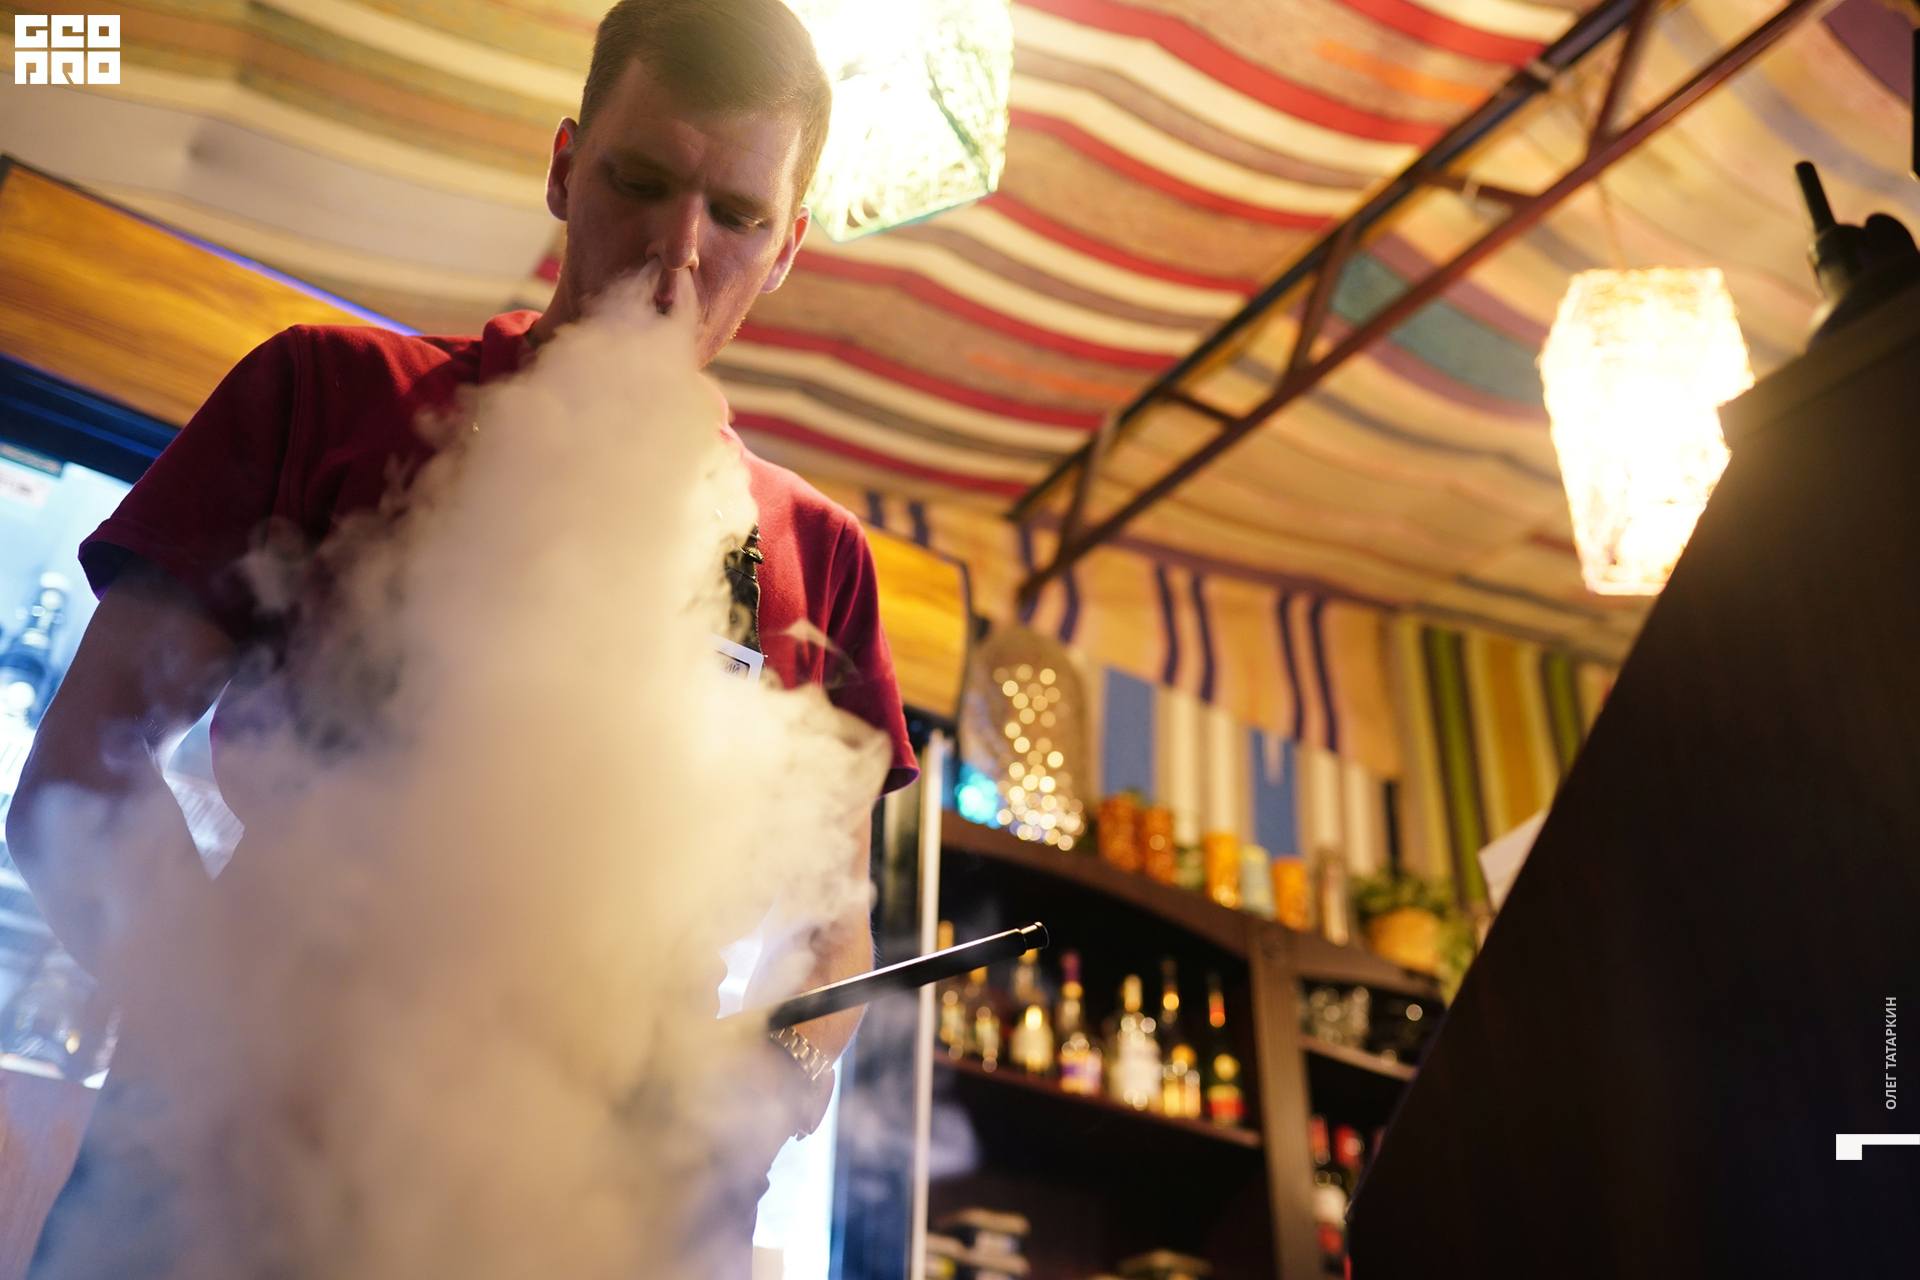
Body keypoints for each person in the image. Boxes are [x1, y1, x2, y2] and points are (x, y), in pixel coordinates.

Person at [4, 0, 914, 1272]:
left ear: (789, 246)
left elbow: (830, 936)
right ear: (563, 169)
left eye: (737, 216)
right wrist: (233, 1042)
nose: (678, 250)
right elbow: (80, 770)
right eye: (639, 183)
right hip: (232, 1195)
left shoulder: (820, 556)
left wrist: (763, 1094)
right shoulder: (325, 395)